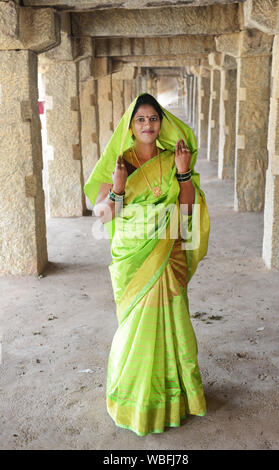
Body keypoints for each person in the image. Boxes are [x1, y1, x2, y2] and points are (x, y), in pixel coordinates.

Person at [84, 93, 210, 437]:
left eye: (153, 119)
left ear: (161, 123)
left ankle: (174, 398)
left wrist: (184, 173)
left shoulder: (173, 159)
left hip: (167, 251)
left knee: (173, 321)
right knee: (134, 326)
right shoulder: (118, 162)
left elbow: (185, 212)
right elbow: (104, 215)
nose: (147, 125)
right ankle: (133, 396)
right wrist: (119, 188)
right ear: (130, 126)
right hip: (133, 255)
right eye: (140, 120)